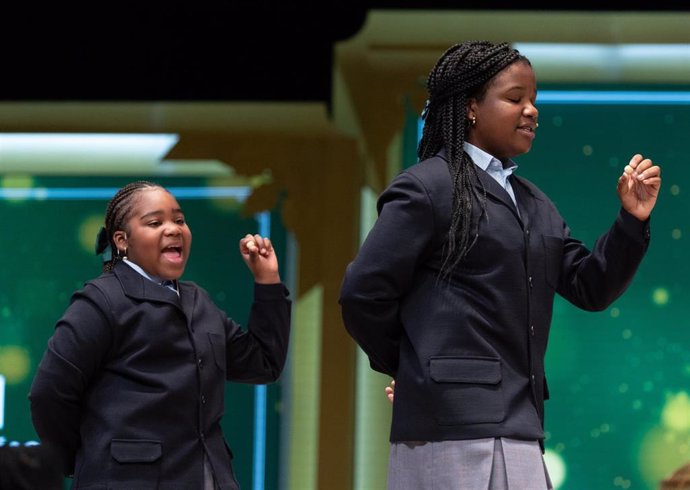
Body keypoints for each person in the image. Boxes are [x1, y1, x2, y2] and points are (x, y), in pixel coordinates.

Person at [339, 41, 660, 489]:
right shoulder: (427, 187)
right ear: (470, 106)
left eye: (534, 101)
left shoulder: (534, 203)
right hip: (447, 430)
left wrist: (631, 221)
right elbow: (361, 294)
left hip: (523, 429)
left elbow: (592, 287)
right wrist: (415, 369)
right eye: (515, 99)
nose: (531, 111)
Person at [29, 181, 291, 489]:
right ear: (122, 241)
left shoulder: (198, 301)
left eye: (179, 220)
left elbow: (263, 363)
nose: (173, 229)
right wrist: (85, 457)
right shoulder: (101, 301)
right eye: (155, 222)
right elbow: (49, 394)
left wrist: (267, 280)